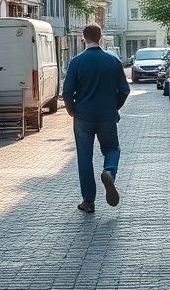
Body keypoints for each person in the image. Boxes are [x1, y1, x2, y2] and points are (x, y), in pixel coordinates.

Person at [61, 23, 130, 214]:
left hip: (83, 117)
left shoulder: (76, 61)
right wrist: (113, 106)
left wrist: (72, 110)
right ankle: (109, 171)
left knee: (85, 157)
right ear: (101, 37)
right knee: (112, 148)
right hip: (107, 116)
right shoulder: (113, 61)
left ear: (84, 38)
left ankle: (88, 202)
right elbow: (125, 89)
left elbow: (67, 92)